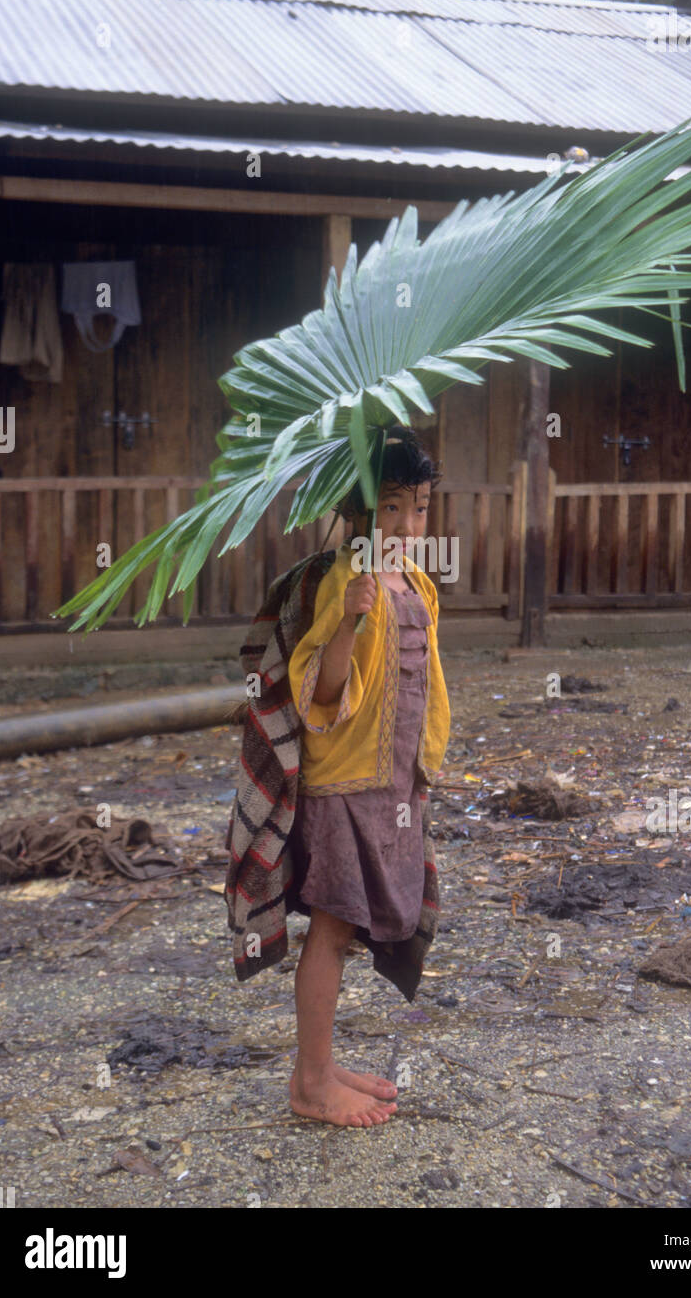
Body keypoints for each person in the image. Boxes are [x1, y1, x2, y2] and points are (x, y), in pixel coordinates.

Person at [285, 429, 450, 1128]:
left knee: (348, 930)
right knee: (331, 927)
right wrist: (348, 620)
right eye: (390, 509)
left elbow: (424, 684)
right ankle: (311, 1084)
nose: (406, 527)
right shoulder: (344, 581)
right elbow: (321, 689)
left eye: (418, 509)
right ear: (359, 510)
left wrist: (422, 773)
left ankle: (317, 1062)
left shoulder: (416, 583)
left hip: (391, 786)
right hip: (345, 783)